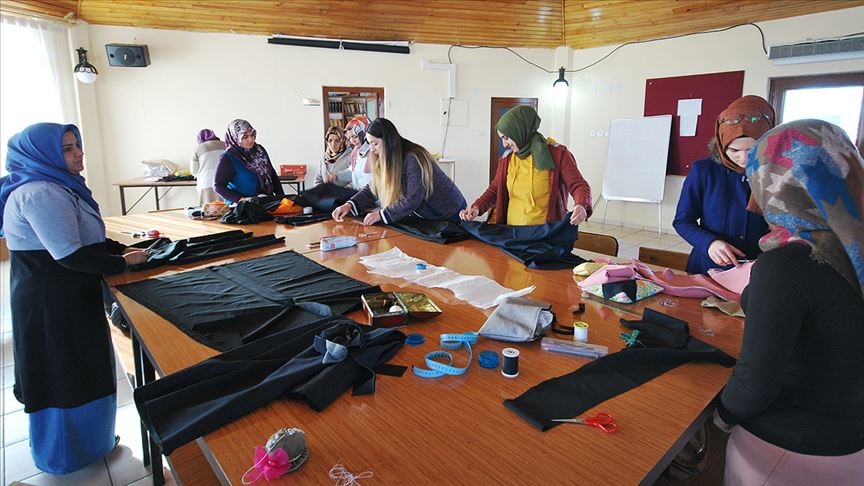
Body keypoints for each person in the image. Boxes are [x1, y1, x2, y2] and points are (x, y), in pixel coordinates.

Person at [715, 119, 864, 485]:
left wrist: (720, 416)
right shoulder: (852, 243)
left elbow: (754, 386)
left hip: (792, 449)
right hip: (850, 437)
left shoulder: (788, 264)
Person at [0, 123, 149, 474]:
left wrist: (120, 249)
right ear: (42, 155)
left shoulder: (60, 186)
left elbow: (86, 237)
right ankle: (66, 456)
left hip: (67, 295)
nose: (79, 152)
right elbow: (70, 254)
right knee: (63, 373)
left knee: (83, 366)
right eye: (67, 148)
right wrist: (123, 262)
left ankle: (92, 444)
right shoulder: (41, 193)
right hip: (52, 302)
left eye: (77, 145)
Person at [673, 95, 773, 274]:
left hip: (760, 268)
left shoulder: (776, 173)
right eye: (734, 150)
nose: (743, 158)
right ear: (722, 145)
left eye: (752, 149)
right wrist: (709, 243)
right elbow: (682, 221)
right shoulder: (704, 170)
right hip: (709, 266)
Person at [459, 105, 591, 226]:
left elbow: (578, 185)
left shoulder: (558, 155)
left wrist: (581, 205)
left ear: (519, 131)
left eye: (506, 137)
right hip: (513, 233)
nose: (504, 144)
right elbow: (495, 189)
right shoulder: (507, 159)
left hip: (546, 234)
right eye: (502, 138)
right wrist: (476, 207)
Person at [331, 118, 466, 225]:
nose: (372, 149)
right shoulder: (386, 157)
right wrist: (349, 205)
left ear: (388, 141)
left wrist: (381, 215)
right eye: (370, 143)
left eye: (375, 143)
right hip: (430, 215)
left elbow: (412, 199)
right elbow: (374, 188)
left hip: (451, 214)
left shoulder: (413, 158)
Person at [214, 119, 284, 203]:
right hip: (242, 206)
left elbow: (272, 174)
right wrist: (240, 199)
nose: (250, 140)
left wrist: (282, 198)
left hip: (266, 201)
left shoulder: (259, 151)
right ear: (235, 138)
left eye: (252, 135)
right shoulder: (228, 158)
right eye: (245, 137)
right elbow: (218, 185)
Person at [328, 115, 373, 190]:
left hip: (370, 196)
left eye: (355, 136)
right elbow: (352, 172)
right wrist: (336, 177)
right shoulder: (356, 153)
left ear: (365, 134)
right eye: (350, 138)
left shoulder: (375, 153)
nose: (352, 141)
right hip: (359, 195)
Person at [189, 128, 225, 203]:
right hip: (225, 182)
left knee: (208, 208)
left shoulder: (197, 149)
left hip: (206, 183)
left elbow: (194, 171)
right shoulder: (225, 144)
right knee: (226, 207)